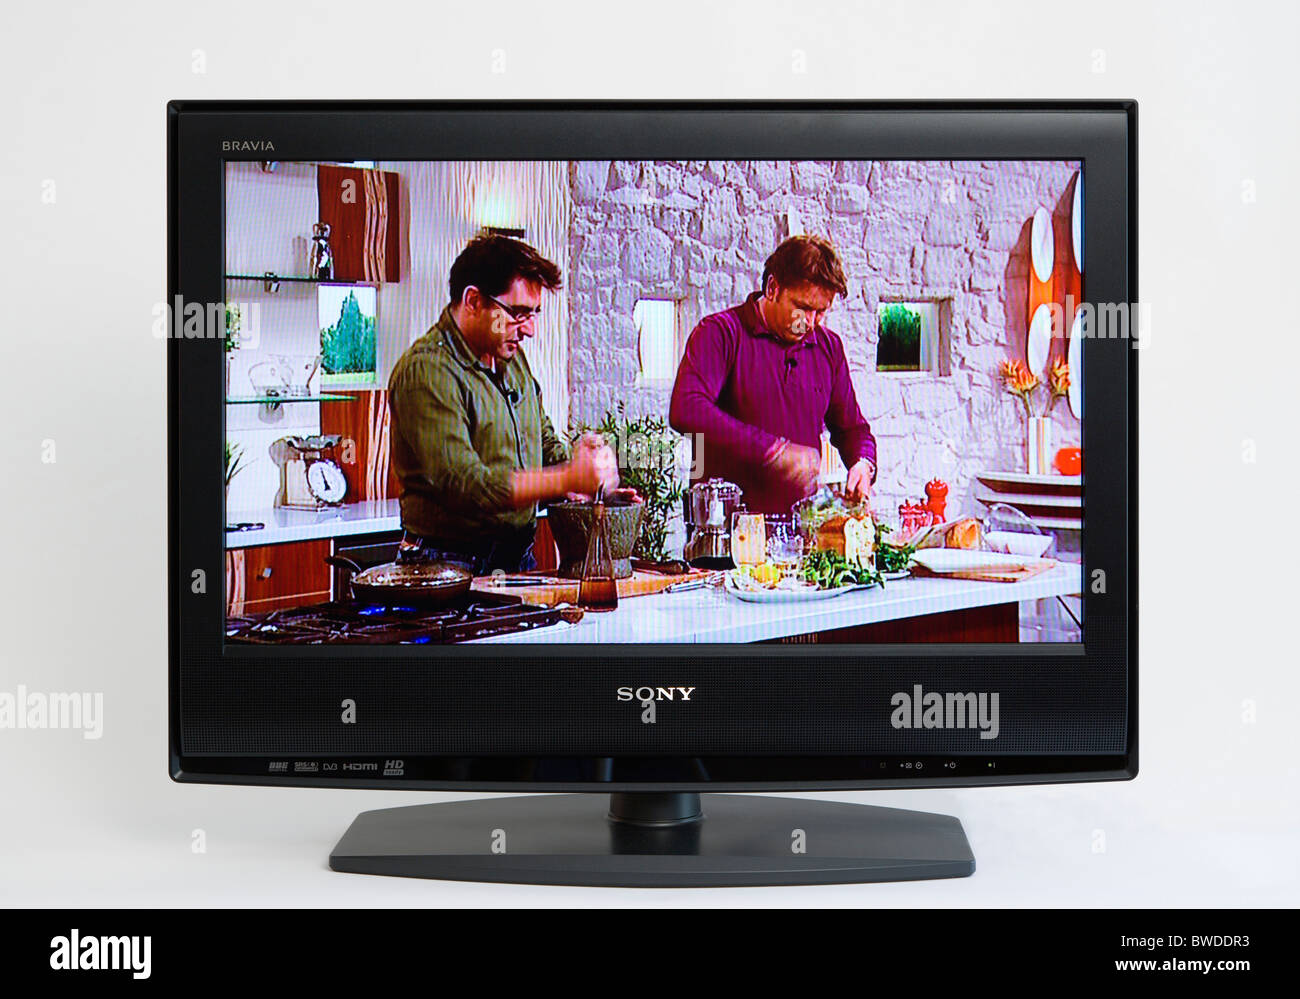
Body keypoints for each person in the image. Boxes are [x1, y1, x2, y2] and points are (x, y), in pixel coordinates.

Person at [388, 234, 621, 574]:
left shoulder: (513, 361)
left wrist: (590, 479)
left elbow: (542, 443)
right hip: (446, 566)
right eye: (518, 313)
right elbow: (466, 484)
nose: (529, 330)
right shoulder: (427, 370)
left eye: (534, 313)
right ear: (473, 301)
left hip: (517, 560)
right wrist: (568, 477)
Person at [669, 235, 877, 516]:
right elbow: (687, 410)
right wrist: (772, 450)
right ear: (772, 288)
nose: (810, 322)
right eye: (802, 307)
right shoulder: (720, 333)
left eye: (821, 312)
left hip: (799, 534)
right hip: (722, 534)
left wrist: (862, 462)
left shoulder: (829, 347)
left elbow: (852, 428)